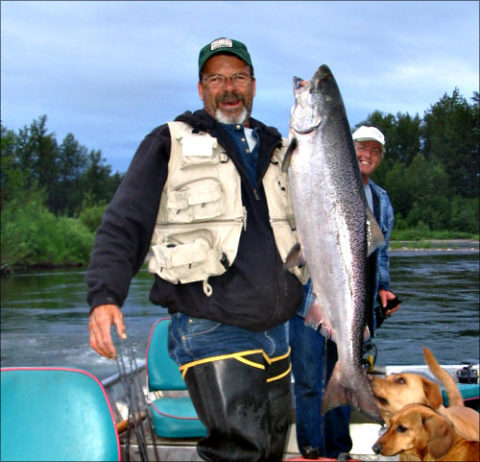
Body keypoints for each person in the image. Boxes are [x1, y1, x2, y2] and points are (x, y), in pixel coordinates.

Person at [86, 37, 308, 462]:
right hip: (210, 322)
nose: (229, 86)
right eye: (217, 78)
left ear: (254, 85)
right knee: (240, 452)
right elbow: (124, 223)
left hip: (278, 328)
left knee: (270, 450)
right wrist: (104, 296)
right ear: (201, 88)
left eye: (238, 76)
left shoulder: (282, 149)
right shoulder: (168, 142)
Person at [289, 125, 401, 459]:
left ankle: (339, 451)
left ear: (379, 158)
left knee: (345, 373)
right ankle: (312, 452)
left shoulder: (381, 200)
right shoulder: (323, 187)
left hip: (355, 306)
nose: (367, 155)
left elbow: (380, 253)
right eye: (360, 148)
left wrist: (383, 288)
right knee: (309, 382)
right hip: (312, 299)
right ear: (345, 152)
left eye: (375, 151)